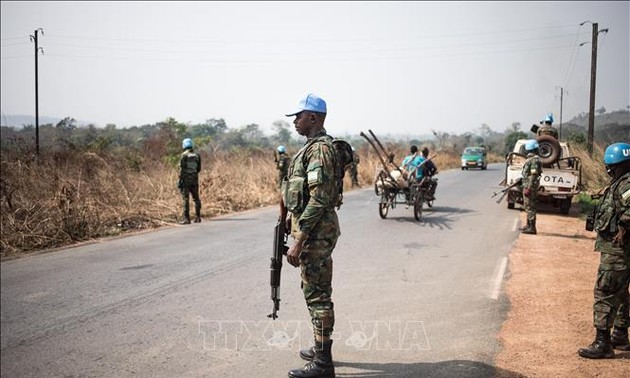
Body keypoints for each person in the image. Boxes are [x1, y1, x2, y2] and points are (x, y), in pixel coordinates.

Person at [282, 93, 339, 378]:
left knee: (318, 296)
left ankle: (323, 365)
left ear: (313, 118)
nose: (295, 121)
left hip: (315, 235)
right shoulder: (309, 149)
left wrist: (299, 239)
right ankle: (320, 348)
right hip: (311, 232)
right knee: (313, 293)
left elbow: (319, 199)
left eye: (299, 116)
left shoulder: (320, 151)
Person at [578, 142, 630, 359]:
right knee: (621, 292)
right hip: (618, 250)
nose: (608, 170)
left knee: (606, 292)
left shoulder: (627, 184)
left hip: (618, 250)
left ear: (619, 165)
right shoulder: (619, 182)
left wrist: (624, 229)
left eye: (611, 166)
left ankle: (603, 343)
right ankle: (619, 335)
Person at [520, 139, 542, 235]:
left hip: (530, 187)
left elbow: (533, 175)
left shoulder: (534, 160)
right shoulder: (532, 159)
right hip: (528, 185)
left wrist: (528, 187)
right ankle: (528, 225)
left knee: (530, 207)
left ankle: (532, 227)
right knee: (527, 206)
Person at [178, 138, 201, 224]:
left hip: (185, 180)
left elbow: (181, 169)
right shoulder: (197, 156)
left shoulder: (183, 156)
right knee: (196, 198)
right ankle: (198, 217)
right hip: (195, 179)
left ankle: (186, 219)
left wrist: (180, 180)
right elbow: (199, 169)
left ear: (184, 146)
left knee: (186, 199)